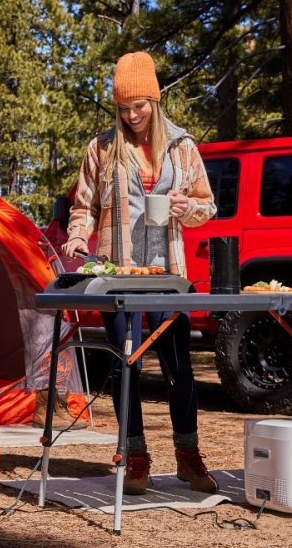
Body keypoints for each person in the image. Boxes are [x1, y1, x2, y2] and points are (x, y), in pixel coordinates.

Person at [62, 51, 219, 494]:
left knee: (179, 367)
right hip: (117, 275)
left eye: (139, 106)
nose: (131, 115)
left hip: (169, 274)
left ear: (155, 99)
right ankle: (135, 458)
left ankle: (188, 457)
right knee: (124, 366)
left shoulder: (182, 148)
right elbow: (85, 205)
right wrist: (78, 236)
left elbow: (206, 205)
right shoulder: (102, 147)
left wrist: (188, 208)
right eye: (124, 107)